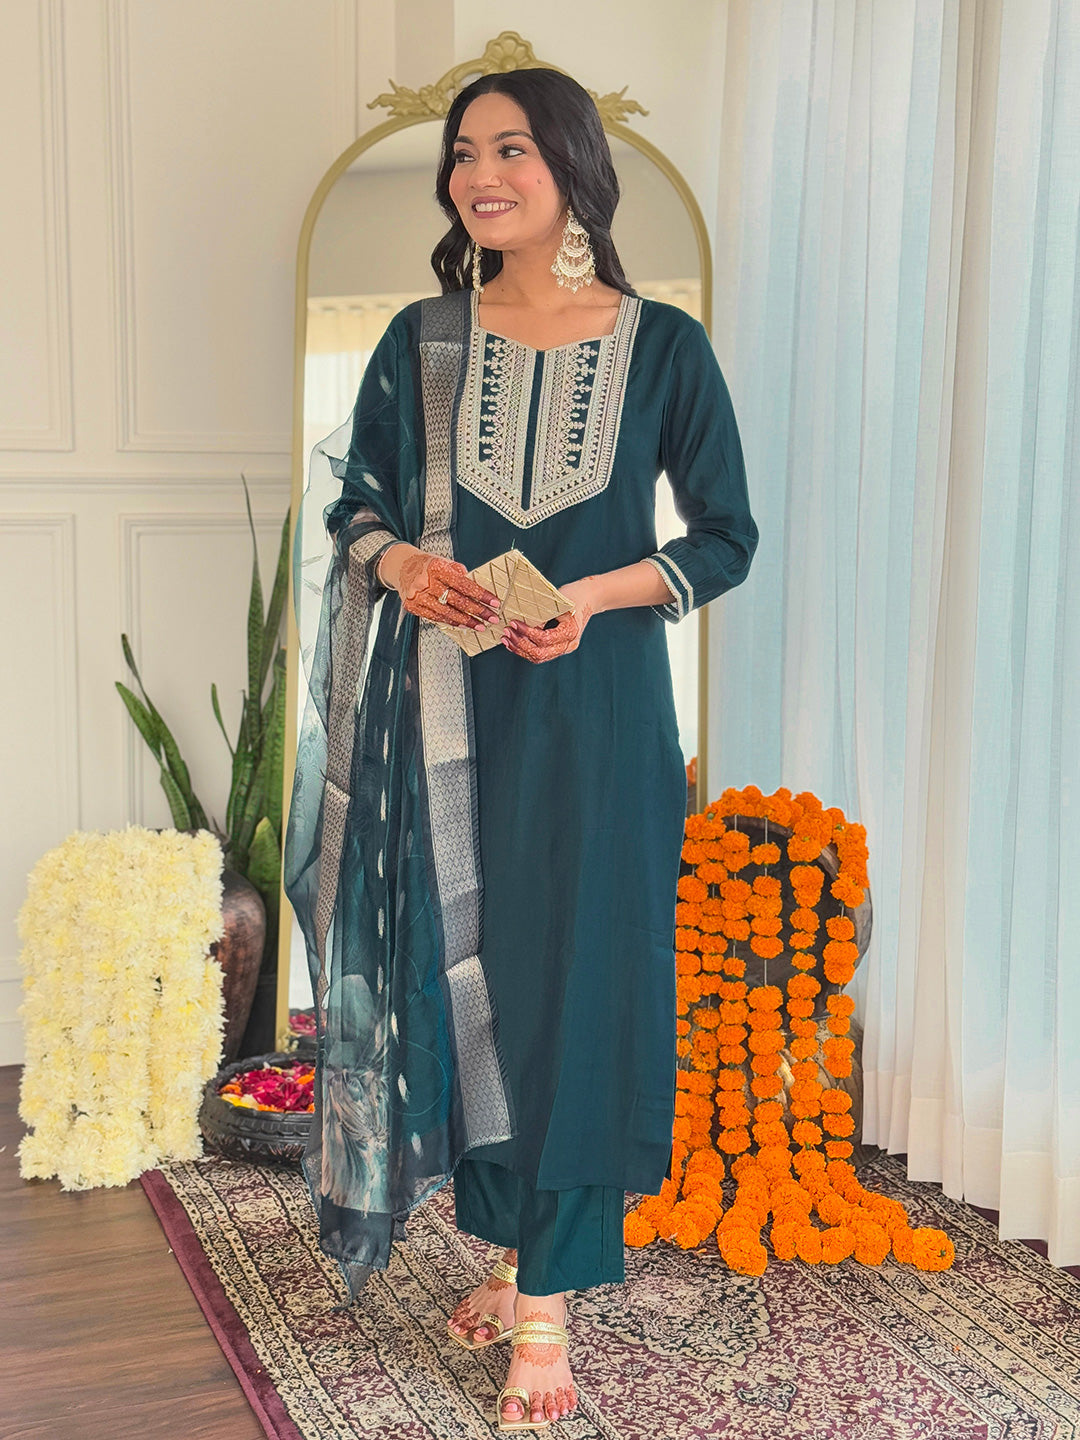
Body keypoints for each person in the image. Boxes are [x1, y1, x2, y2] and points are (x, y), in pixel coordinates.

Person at [284, 66, 758, 1433]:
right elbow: (359, 507)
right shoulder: (424, 340)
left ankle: (546, 1300)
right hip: (448, 709)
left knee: (578, 977)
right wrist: (406, 568)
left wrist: (594, 596)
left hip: (597, 713)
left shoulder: (663, 346)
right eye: (462, 154)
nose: (478, 176)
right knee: (470, 970)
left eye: (510, 150)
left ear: (571, 166)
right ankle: (511, 1250)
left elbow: (727, 538)